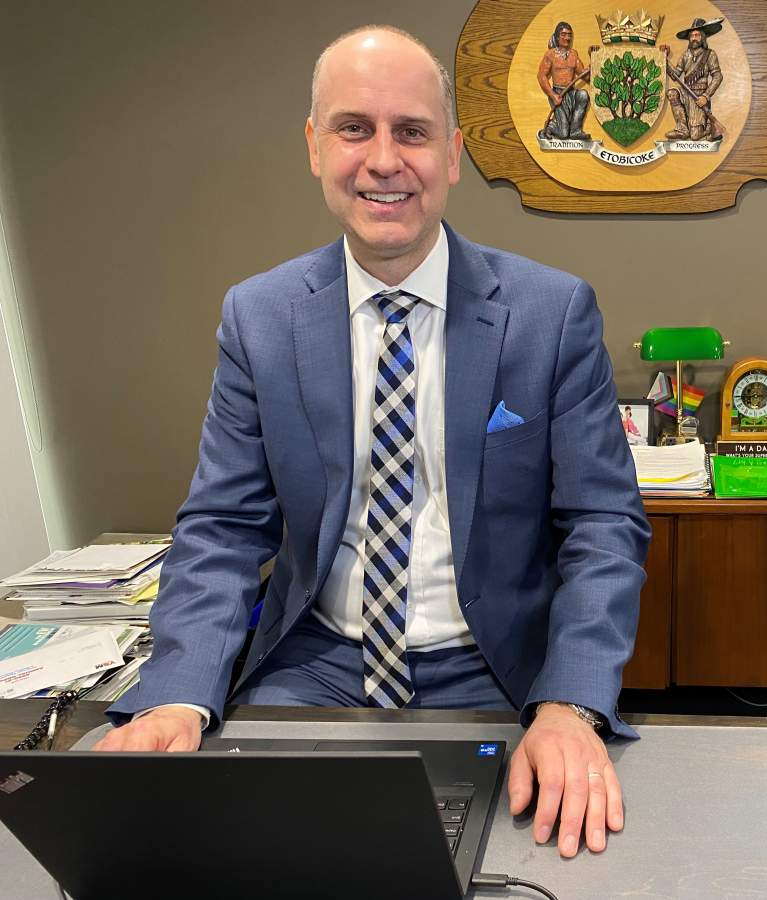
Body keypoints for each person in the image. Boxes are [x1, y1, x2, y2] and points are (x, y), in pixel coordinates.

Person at [94, 25, 650, 860]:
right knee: (199, 858)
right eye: (355, 128)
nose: (384, 160)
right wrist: (175, 695)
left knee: (543, 867)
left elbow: (603, 525)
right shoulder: (260, 317)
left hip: (493, 670)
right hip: (312, 665)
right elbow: (222, 527)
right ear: (315, 147)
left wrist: (568, 705)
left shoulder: (551, 314)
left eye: (413, 132)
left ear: (453, 155)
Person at [663, 17, 724, 141]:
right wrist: (665, 58)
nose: (694, 38)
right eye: (692, 36)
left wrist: (706, 96)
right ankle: (682, 129)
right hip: (686, 92)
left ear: (702, 37)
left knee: (695, 136)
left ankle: (708, 128)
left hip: (700, 96)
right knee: (672, 93)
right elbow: (675, 75)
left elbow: (718, 76)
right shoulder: (686, 55)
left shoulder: (710, 54)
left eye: (697, 35)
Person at [537, 21, 592, 141]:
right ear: (557, 36)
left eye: (569, 35)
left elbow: (585, 77)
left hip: (571, 93)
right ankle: (549, 127)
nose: (567, 38)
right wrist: (553, 95)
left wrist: (593, 60)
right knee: (562, 134)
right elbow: (541, 76)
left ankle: (575, 130)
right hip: (558, 94)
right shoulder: (550, 55)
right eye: (563, 34)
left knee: (583, 94)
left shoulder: (573, 54)